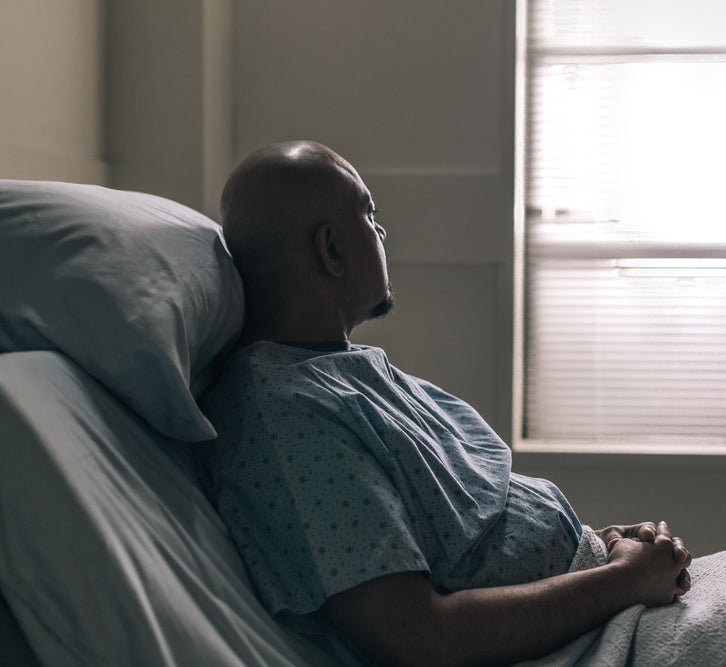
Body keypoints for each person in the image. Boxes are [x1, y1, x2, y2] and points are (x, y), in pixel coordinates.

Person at [197, 140, 692, 667]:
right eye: (369, 215)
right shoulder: (287, 418)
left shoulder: (333, 370)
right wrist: (622, 581)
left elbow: (463, 536)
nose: (382, 233)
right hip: (587, 639)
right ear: (332, 250)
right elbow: (420, 638)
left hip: (598, 597)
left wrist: (605, 548)